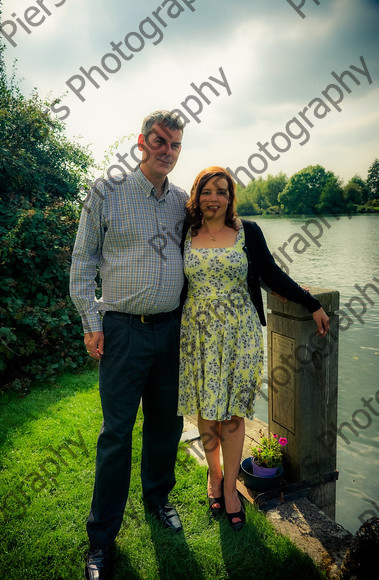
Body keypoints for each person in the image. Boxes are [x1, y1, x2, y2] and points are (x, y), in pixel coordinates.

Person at [177, 166, 329, 531]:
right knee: (207, 412)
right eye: (207, 191)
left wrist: (311, 303)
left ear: (230, 198)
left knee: (232, 414)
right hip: (196, 334)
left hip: (239, 334)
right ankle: (213, 476)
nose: (214, 198)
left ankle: (230, 489)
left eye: (222, 192)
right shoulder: (184, 231)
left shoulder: (248, 231)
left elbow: (271, 273)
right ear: (196, 196)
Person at [70, 111, 188, 580]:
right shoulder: (107, 191)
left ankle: (158, 500)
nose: (168, 151)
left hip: (172, 330)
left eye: (176, 145)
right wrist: (90, 321)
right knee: (116, 435)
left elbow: (219, 242)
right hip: (122, 330)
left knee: (166, 424)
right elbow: (83, 259)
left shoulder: (183, 201)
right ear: (142, 141)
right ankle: (101, 541)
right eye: (160, 142)